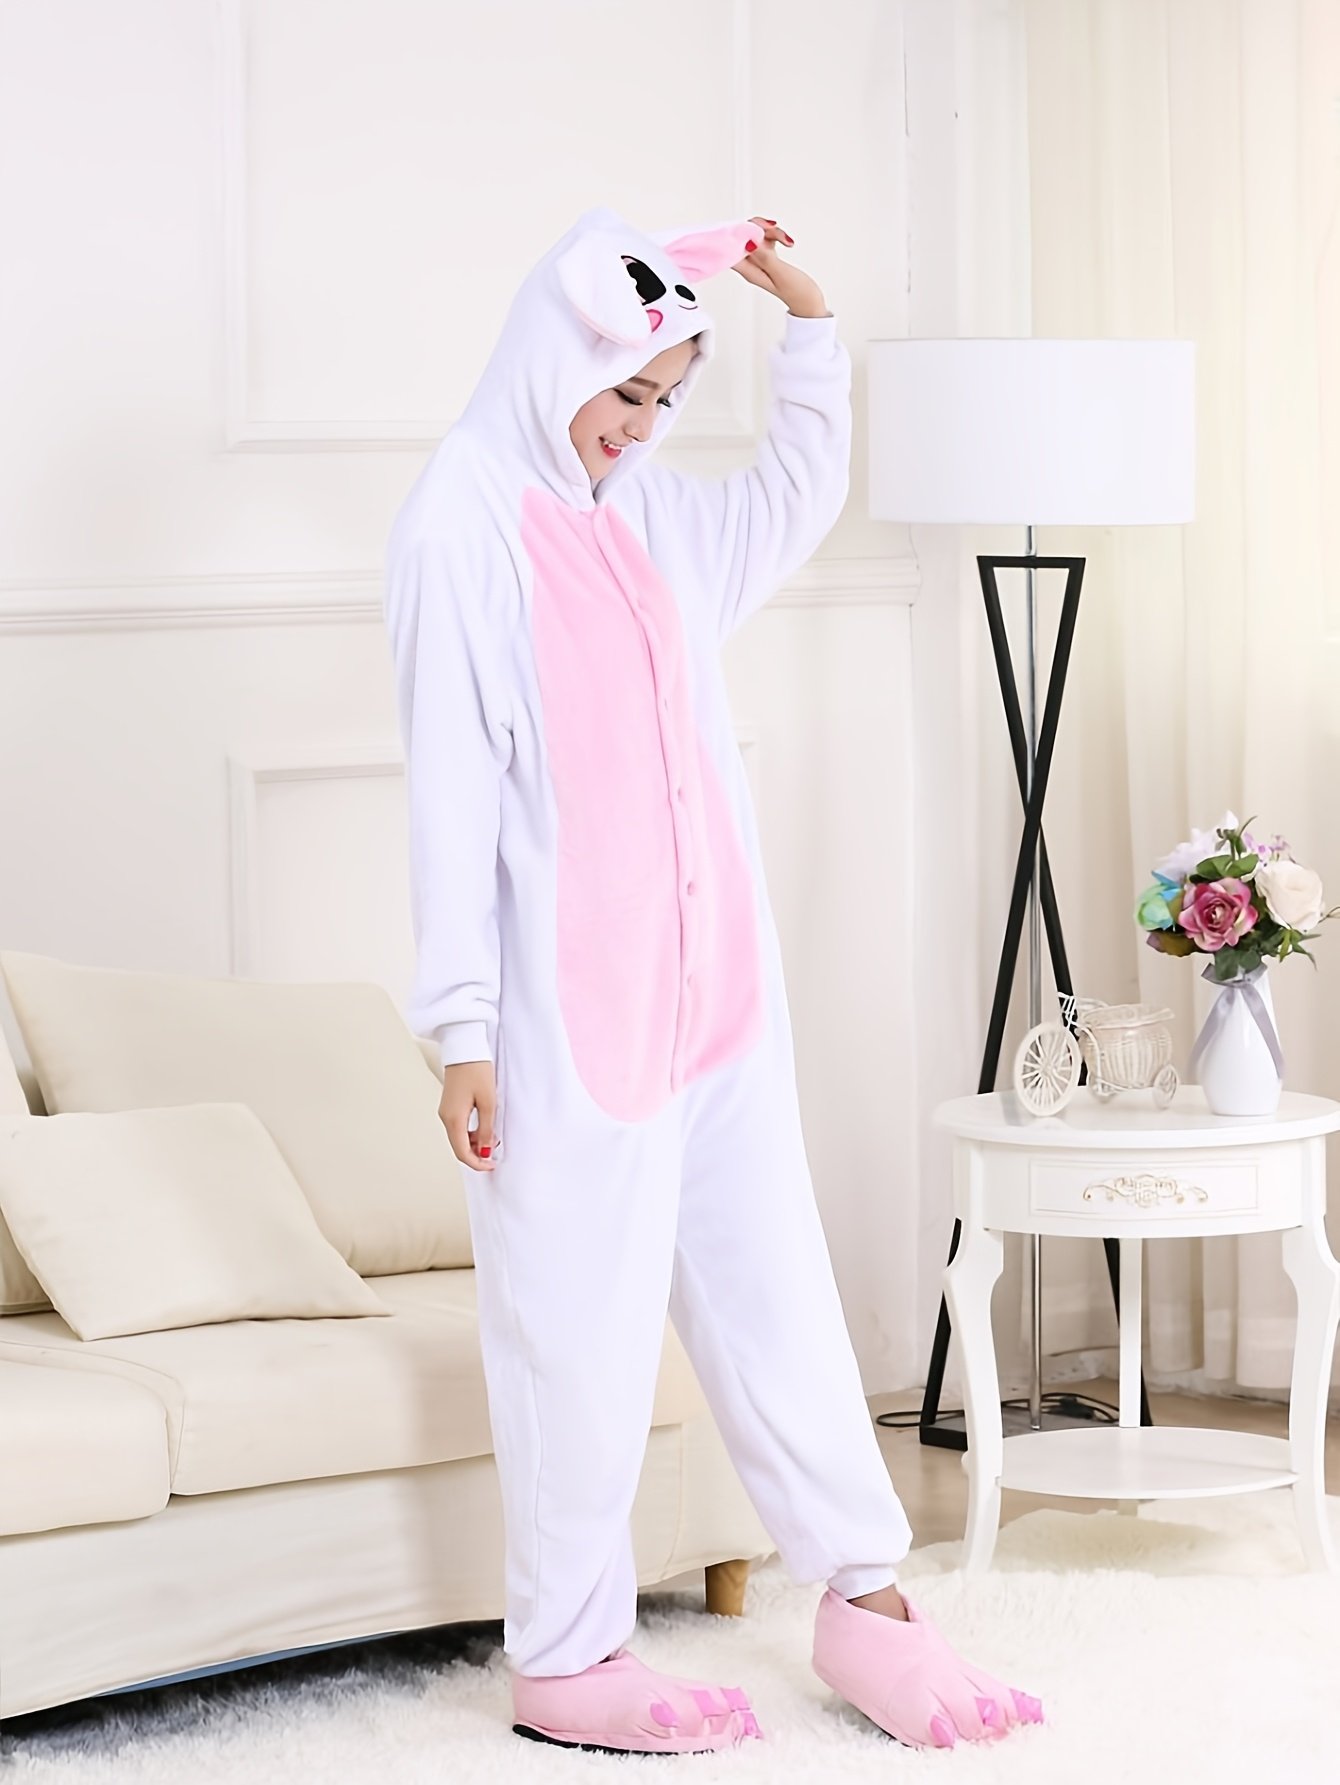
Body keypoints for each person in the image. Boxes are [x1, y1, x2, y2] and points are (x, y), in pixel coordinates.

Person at [382, 206, 1043, 1756]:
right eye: (625, 392)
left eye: (668, 399)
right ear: (555, 357)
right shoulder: (460, 522)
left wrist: (809, 329)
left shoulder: (649, 519)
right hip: (564, 1026)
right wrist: (461, 1030)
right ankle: (567, 1657)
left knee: (780, 1303)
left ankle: (867, 1599)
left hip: (720, 1002)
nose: (639, 425)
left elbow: (794, 492)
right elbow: (449, 796)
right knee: (577, 1340)